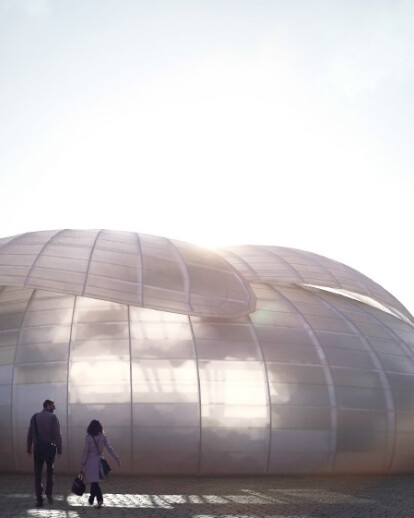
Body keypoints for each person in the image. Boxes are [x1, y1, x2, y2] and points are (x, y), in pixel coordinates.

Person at [27, 399, 62, 507]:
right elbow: (58, 435)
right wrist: (59, 449)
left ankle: (39, 499)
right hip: (49, 449)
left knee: (37, 474)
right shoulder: (53, 417)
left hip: (37, 449)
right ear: (47, 406)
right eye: (53, 405)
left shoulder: (34, 417)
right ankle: (49, 492)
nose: (54, 407)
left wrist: (29, 449)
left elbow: (30, 434)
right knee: (50, 472)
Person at [80, 419, 121, 509]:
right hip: (98, 461)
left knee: (94, 481)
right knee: (94, 480)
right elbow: (110, 449)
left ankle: (99, 499)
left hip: (90, 461)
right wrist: (117, 458)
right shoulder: (103, 437)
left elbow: (85, 451)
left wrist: (82, 462)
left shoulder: (88, 437)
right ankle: (91, 498)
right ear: (99, 428)